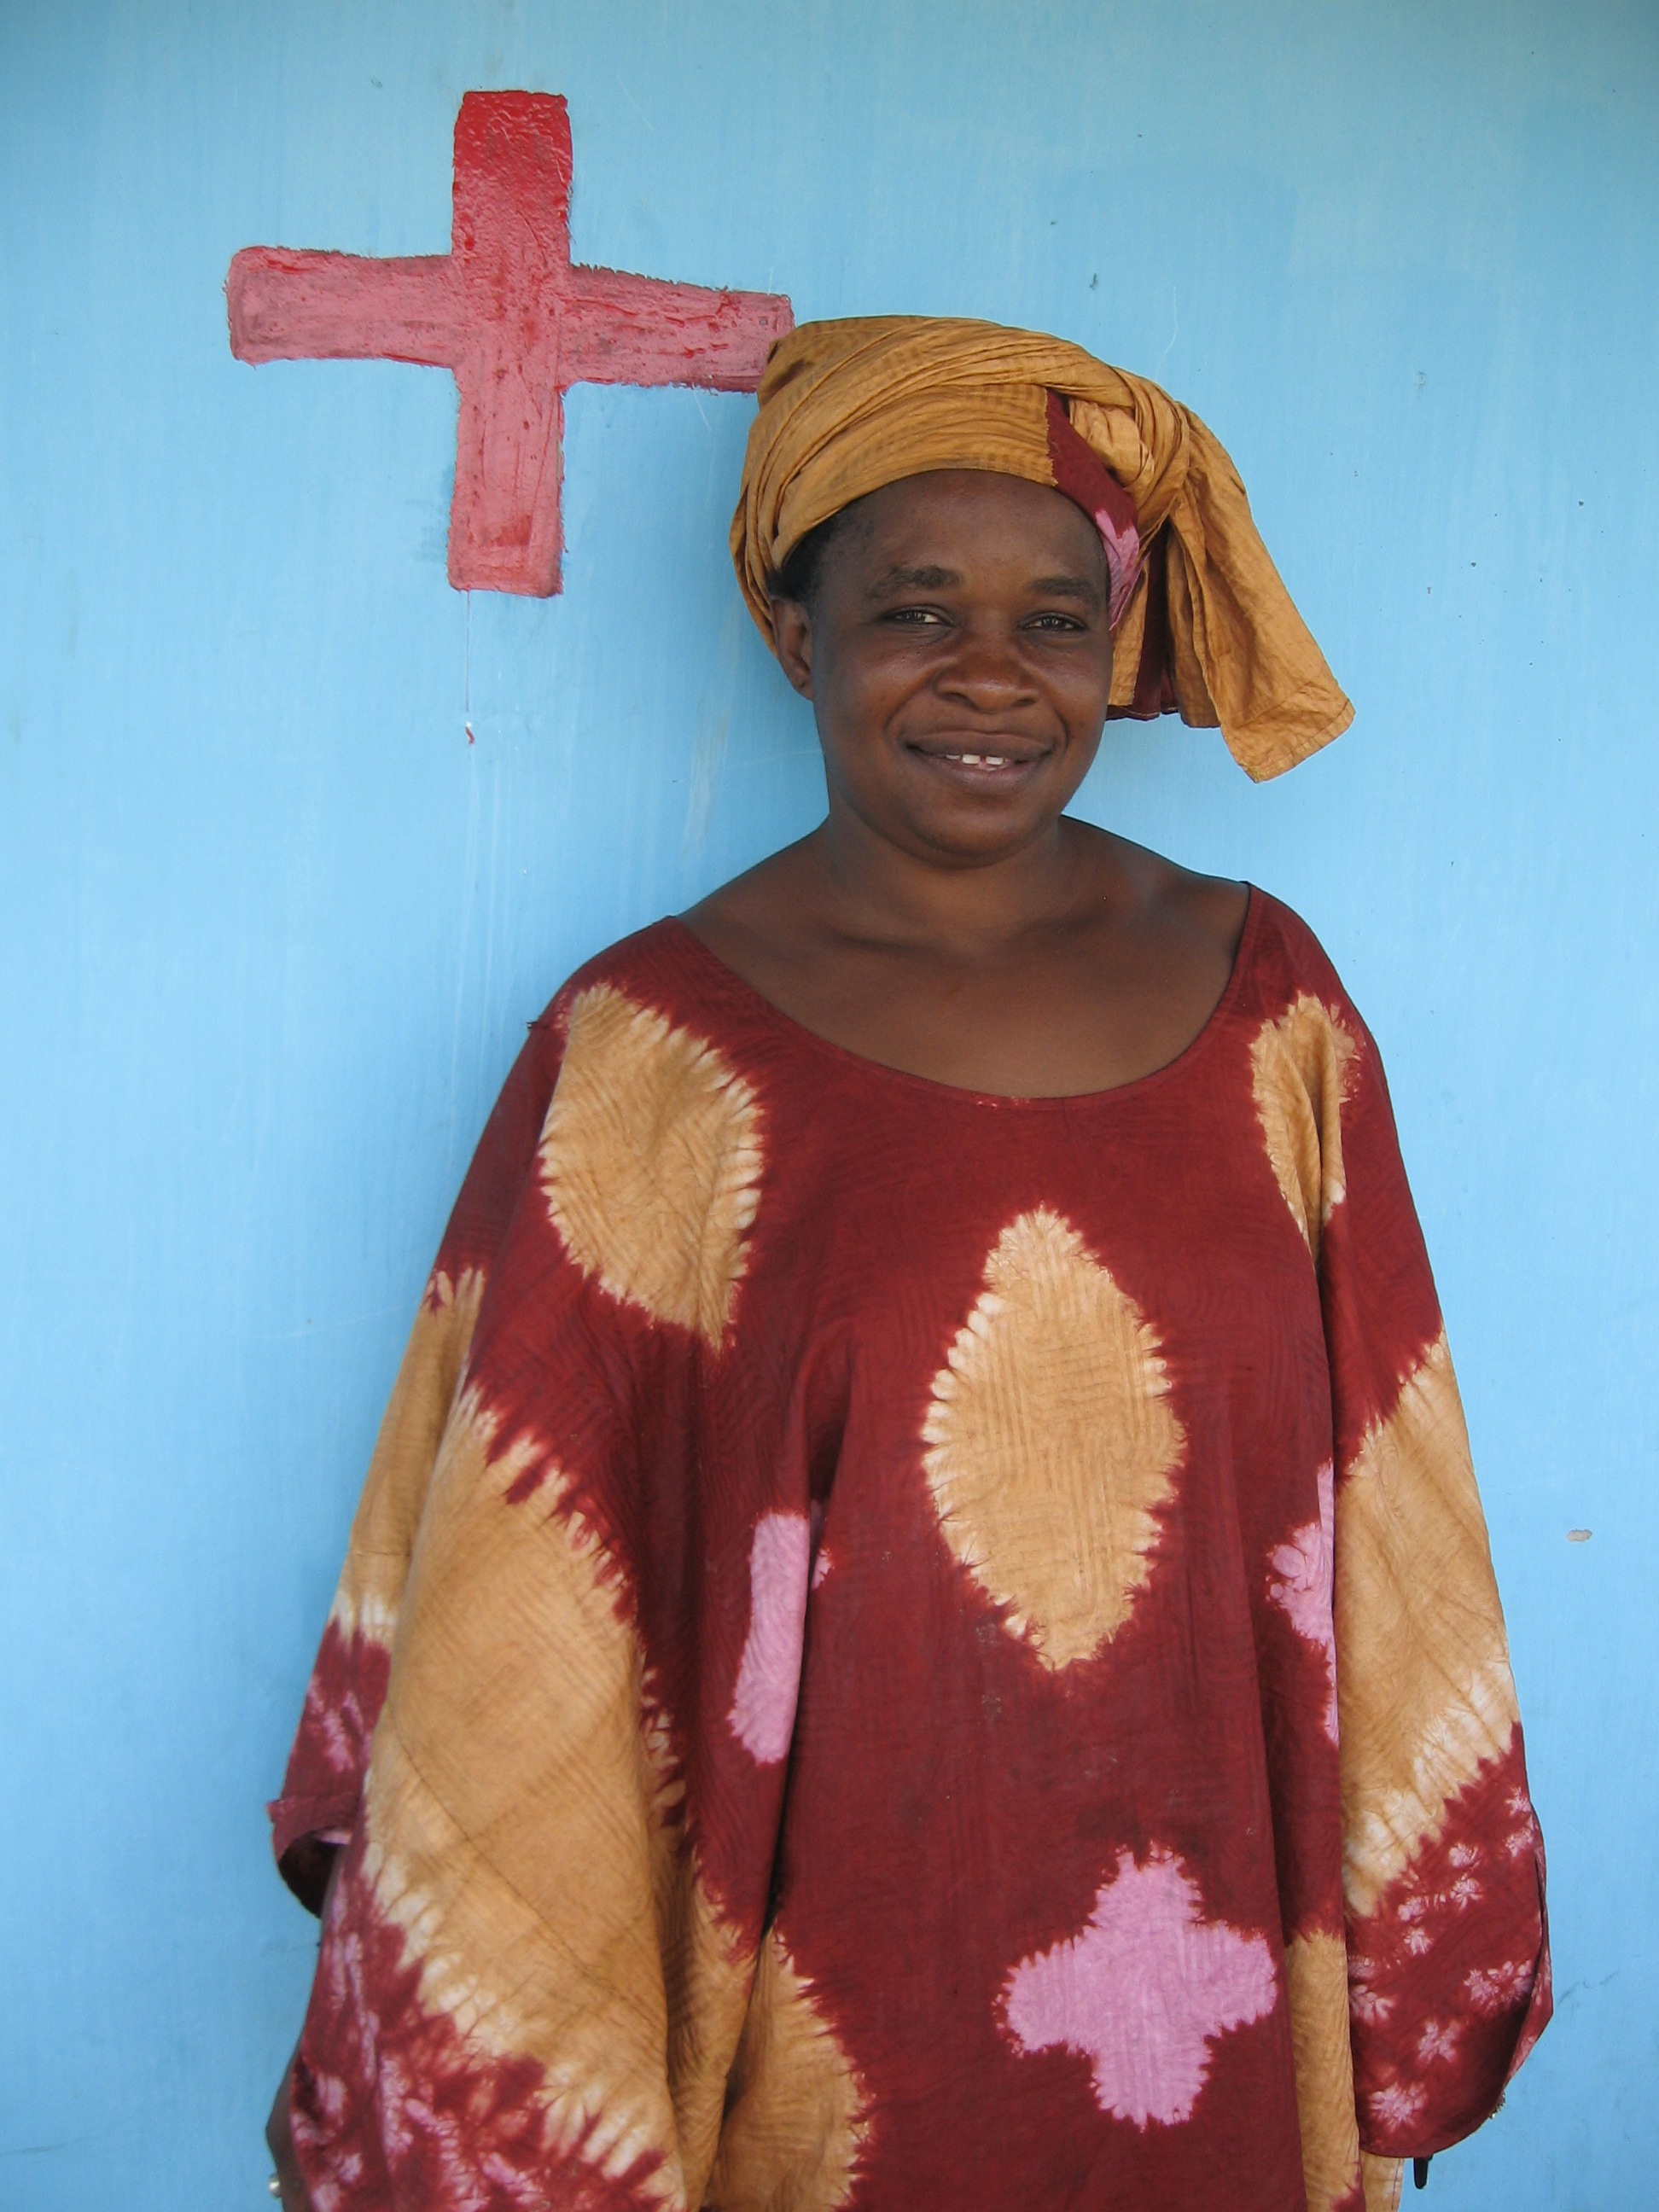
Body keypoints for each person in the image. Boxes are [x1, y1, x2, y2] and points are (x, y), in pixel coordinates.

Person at [265, 318, 1549, 2212]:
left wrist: (1410, 1983)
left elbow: (1394, 1516)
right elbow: (513, 1614)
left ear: (1114, 650)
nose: (988, 678)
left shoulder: (1273, 1011)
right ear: (798, 638)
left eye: (1054, 622)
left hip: (1222, 2013)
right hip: (815, 2010)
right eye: (915, 609)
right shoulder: (650, 1061)